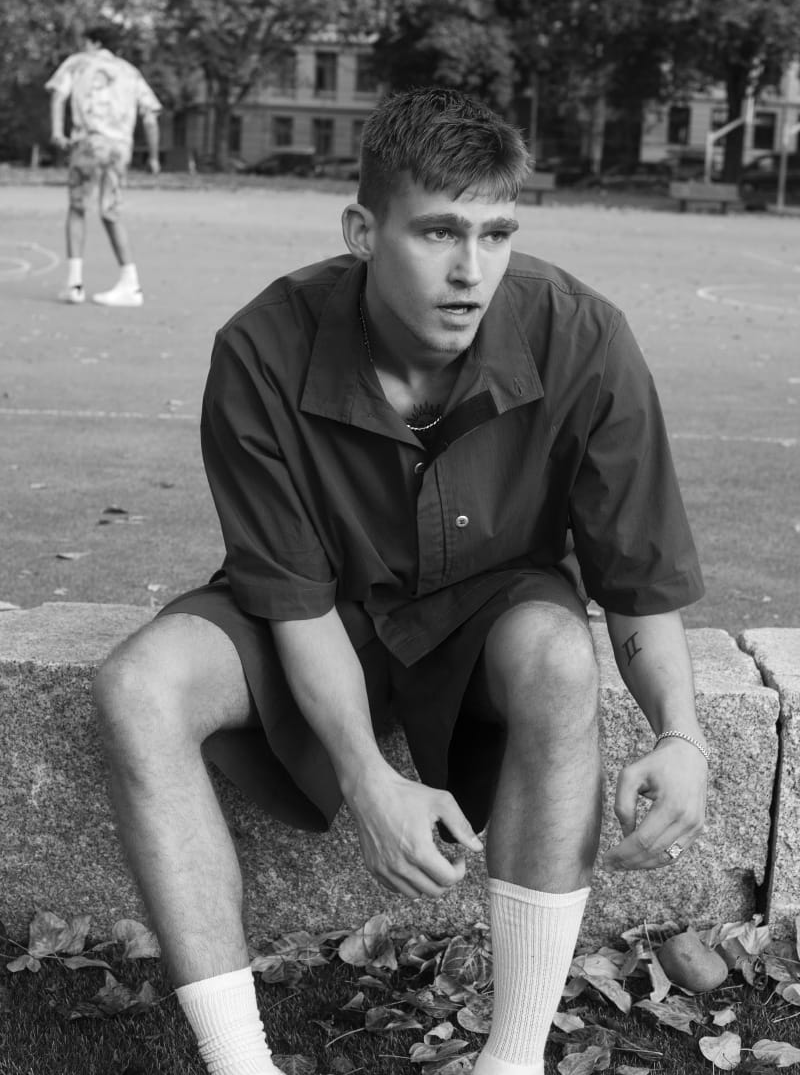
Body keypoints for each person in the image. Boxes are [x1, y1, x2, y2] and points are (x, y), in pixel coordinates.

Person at [93, 88, 709, 1075]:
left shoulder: (582, 334)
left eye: (495, 234)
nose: (471, 270)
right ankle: (239, 1062)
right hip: (322, 609)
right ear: (362, 231)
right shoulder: (261, 347)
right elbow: (294, 603)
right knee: (138, 686)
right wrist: (367, 776)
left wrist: (680, 734)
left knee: (560, 655)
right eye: (437, 232)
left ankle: (511, 1060)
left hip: (490, 611)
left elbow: (635, 576)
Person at [45, 21, 162, 307]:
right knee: (111, 211)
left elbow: (58, 96)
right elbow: (150, 117)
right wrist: (154, 156)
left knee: (77, 208)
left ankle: (74, 284)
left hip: (89, 143)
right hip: (119, 149)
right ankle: (130, 283)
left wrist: (58, 132)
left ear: (94, 42)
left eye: (85, 41)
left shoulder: (78, 63)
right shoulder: (130, 71)